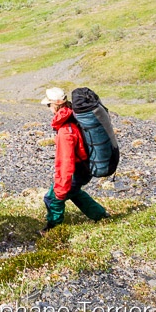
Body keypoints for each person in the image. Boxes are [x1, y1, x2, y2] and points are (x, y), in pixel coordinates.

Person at [40, 87, 108, 231]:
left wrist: (60, 189)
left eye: (49, 105)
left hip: (76, 171)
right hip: (85, 167)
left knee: (52, 198)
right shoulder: (74, 116)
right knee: (74, 192)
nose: (48, 108)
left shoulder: (65, 131)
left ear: (55, 105)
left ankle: (53, 228)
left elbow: (66, 163)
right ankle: (101, 215)